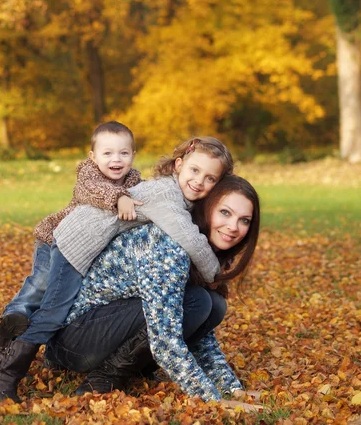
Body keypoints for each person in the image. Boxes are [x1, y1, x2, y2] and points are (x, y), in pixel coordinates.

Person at [0, 136, 234, 402]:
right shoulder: (165, 196)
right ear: (178, 165)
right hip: (72, 248)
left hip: (84, 253)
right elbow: (191, 240)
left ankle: (126, 368)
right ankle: (4, 381)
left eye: (210, 178)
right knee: (51, 313)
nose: (199, 181)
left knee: (204, 302)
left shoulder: (174, 198)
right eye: (195, 171)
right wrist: (216, 276)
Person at [45, 174, 260, 408]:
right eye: (225, 213)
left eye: (244, 220)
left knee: (213, 305)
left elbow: (202, 338)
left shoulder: (200, 251)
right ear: (207, 208)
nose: (233, 227)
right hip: (72, 341)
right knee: (198, 302)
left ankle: (129, 369)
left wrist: (233, 390)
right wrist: (215, 401)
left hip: (103, 332)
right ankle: (105, 376)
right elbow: (164, 342)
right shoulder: (170, 246)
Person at [0, 120, 142, 375]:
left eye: (123, 153)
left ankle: (22, 349)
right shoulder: (88, 174)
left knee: (59, 296)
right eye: (108, 153)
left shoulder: (135, 181)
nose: (116, 159)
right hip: (54, 239)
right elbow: (92, 191)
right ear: (93, 157)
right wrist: (120, 197)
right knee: (41, 285)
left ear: (133, 155)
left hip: (82, 251)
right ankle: (12, 323)